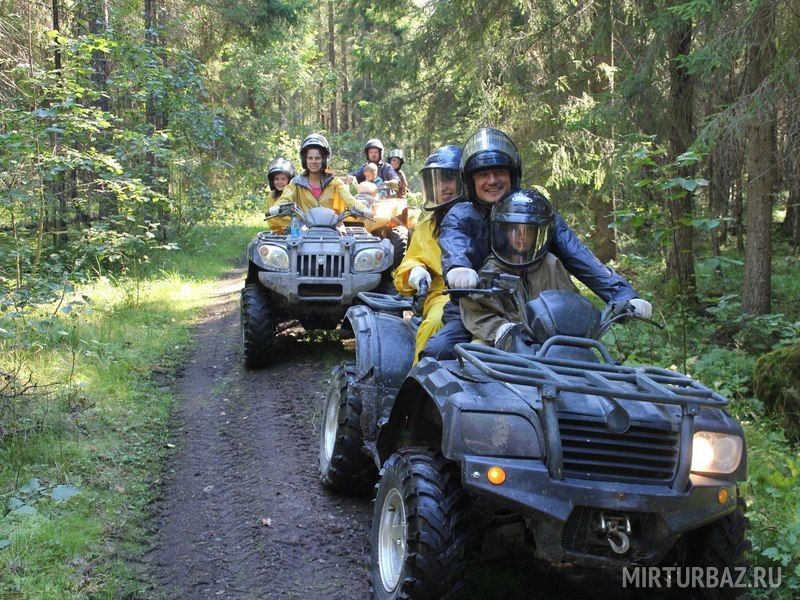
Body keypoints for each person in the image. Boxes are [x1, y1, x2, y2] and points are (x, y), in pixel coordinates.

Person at [420, 127, 651, 360]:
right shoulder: (461, 215)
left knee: (581, 361)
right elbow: (454, 243)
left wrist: (622, 294)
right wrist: (458, 268)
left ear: (513, 176)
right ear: (470, 181)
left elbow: (579, 255)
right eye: (483, 175)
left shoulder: (535, 211)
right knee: (438, 352)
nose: (492, 180)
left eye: (500, 172)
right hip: (476, 312)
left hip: (538, 314)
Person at [459, 189, 581, 350]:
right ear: (504, 232)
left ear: (538, 233)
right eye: (514, 229)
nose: (521, 236)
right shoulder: (492, 269)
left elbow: (572, 303)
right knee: (475, 351)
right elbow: (476, 311)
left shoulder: (551, 264)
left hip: (550, 341)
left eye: (528, 230)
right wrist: (501, 329)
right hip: (501, 341)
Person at [394, 145, 464, 362]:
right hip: (443, 297)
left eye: (449, 179)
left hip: (487, 299)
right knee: (434, 323)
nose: (443, 187)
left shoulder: (484, 216)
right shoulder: (427, 226)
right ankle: (418, 378)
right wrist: (416, 272)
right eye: (437, 181)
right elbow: (409, 263)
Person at [270, 133, 370, 231]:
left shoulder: (335, 182)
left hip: (333, 229)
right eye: (310, 158)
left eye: (317, 158)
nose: (313, 161)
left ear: (324, 160)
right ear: (305, 160)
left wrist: (363, 209)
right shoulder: (296, 183)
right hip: (304, 231)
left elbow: (349, 199)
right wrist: (278, 208)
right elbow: (285, 197)